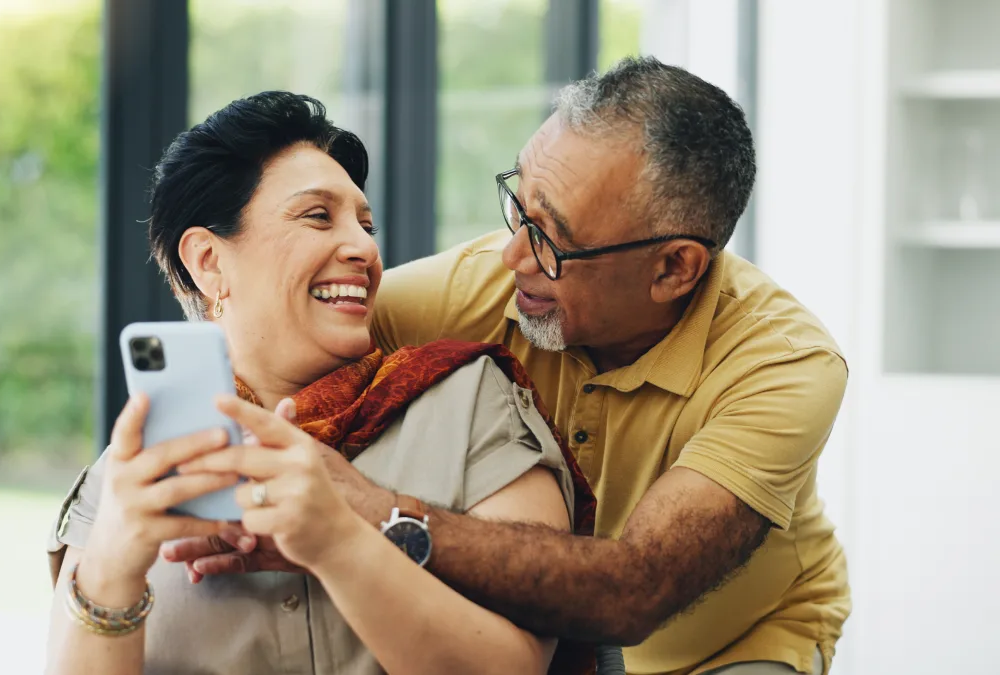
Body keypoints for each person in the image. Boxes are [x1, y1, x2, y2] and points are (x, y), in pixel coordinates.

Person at [171, 58, 851, 675]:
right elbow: (282, 328)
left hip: (728, 644)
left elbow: (634, 590)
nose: (512, 258)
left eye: (553, 239)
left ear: (673, 267)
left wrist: (366, 513)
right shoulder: (477, 288)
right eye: (518, 207)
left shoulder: (786, 366)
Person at [43, 91, 598, 675]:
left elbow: (511, 667)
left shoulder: (471, 402)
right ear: (207, 261)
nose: (365, 247)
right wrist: (110, 569)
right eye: (317, 216)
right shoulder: (129, 479)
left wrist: (338, 541)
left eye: (367, 224)